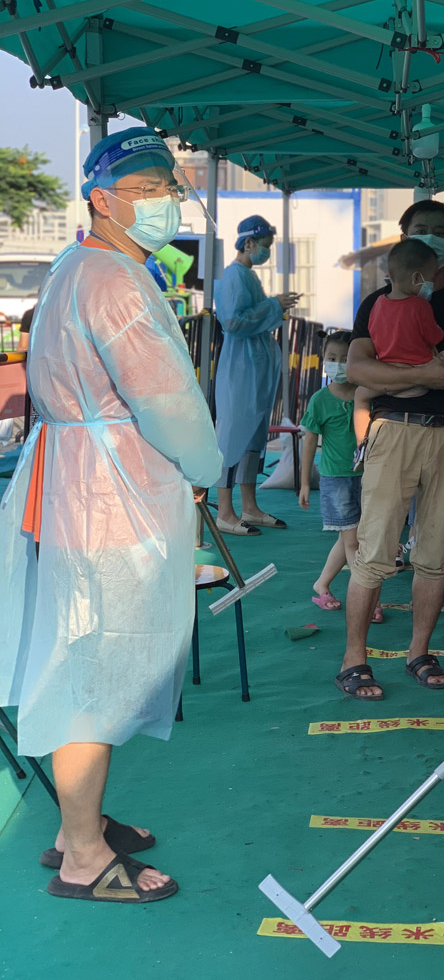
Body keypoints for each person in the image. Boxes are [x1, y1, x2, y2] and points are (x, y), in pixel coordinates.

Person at [0, 127, 223, 903]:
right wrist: (203, 467)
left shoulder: (79, 266)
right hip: (110, 493)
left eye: (170, 187)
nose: (166, 200)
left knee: (89, 656)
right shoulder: (116, 282)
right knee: (93, 671)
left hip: (81, 481)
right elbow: (166, 399)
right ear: (102, 199)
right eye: (148, 189)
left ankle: (77, 826)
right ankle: (84, 857)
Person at [339, 198, 444, 701]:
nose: (432, 237)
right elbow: (356, 369)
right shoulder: (376, 301)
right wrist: (427, 374)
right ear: (404, 234)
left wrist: (399, 376)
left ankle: (419, 652)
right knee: (374, 551)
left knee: (435, 552)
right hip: (394, 431)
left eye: (440, 231)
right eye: (421, 228)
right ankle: (354, 659)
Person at [351, 239, 444, 453]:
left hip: (391, 374)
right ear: (417, 278)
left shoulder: (376, 303)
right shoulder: (419, 305)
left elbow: (374, 334)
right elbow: (434, 336)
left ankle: (361, 446)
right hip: (424, 365)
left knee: (360, 396)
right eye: (430, 278)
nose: (432, 284)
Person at [213, 215, 300, 535]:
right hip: (239, 369)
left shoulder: (247, 276)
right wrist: (273, 306)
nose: (267, 252)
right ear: (248, 243)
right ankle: (225, 511)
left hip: (255, 368)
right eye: (265, 245)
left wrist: (274, 307)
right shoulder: (232, 276)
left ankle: (249, 507)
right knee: (232, 436)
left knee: (253, 436)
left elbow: (254, 316)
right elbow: (233, 322)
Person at [299, 331, 383, 624]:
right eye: (332, 358)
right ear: (323, 360)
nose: (338, 364)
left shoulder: (367, 394)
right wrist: (304, 482)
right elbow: (309, 442)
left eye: (346, 359)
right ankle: (369, 600)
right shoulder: (320, 400)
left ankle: (321, 585)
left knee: (351, 537)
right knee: (354, 543)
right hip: (336, 480)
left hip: (365, 477)